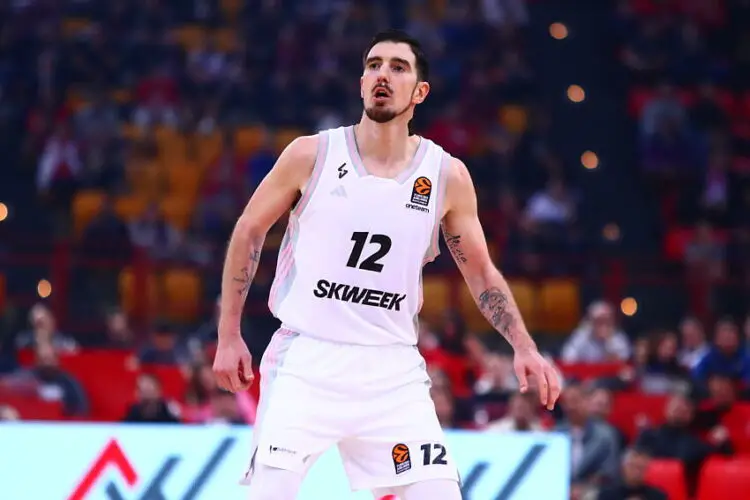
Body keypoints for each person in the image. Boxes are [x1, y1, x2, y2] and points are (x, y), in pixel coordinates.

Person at [212, 29, 562, 500]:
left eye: (398, 68)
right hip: (307, 360)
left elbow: (480, 271)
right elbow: (249, 231)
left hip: (390, 369)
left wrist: (523, 344)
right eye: (374, 65)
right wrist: (229, 334)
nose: (383, 75)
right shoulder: (310, 154)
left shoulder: (445, 175)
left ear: (419, 92)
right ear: (360, 83)